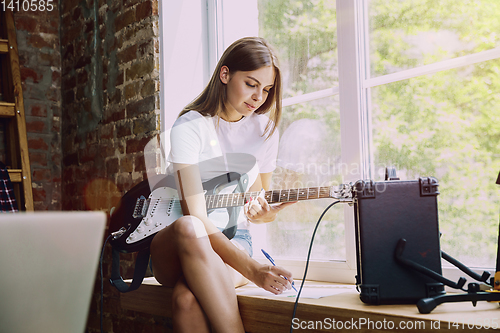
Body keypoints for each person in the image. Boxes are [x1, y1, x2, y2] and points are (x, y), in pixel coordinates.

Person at [150, 37, 296, 333]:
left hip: (235, 238)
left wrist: (267, 213)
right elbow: (197, 217)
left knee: (186, 300)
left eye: (266, 89)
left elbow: (259, 205)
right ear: (225, 75)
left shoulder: (265, 131)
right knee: (189, 225)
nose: (259, 97)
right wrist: (253, 269)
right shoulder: (190, 126)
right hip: (177, 243)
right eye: (251, 84)